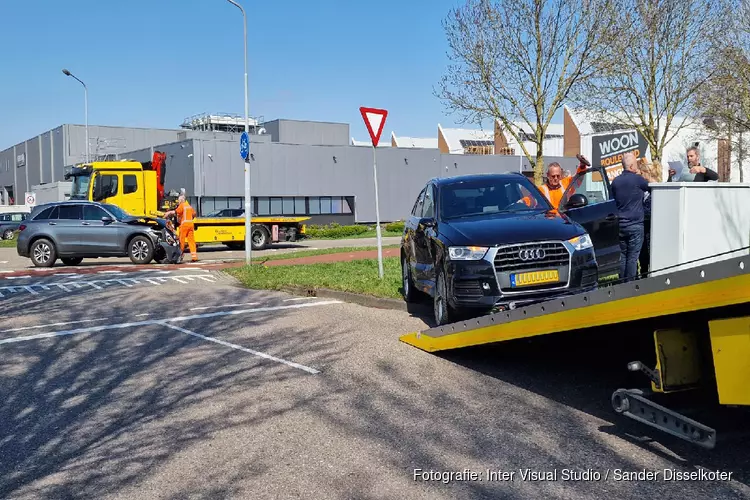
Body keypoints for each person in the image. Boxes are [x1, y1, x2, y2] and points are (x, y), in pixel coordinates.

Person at [611, 152, 651, 281]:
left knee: (623, 255)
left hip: (620, 224)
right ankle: (631, 285)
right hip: (635, 224)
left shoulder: (616, 182)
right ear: (633, 166)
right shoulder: (637, 179)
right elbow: (652, 188)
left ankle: (622, 283)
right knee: (633, 257)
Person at [164, 193, 198, 262]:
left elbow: (176, 212)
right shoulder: (189, 206)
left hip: (184, 225)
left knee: (181, 241)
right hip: (191, 225)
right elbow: (194, 214)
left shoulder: (182, 205)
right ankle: (194, 257)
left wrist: (169, 212)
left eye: (179, 200)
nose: (178, 202)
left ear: (181, 200)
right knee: (191, 241)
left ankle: (179, 256)